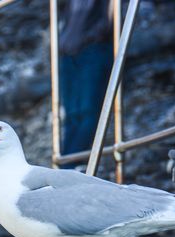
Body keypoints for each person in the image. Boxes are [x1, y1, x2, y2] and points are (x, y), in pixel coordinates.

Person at [59, 0, 114, 168]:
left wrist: (94, 35)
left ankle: (69, 165)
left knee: (88, 111)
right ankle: (66, 163)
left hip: (93, 48)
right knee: (71, 115)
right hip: (68, 52)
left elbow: (110, 19)